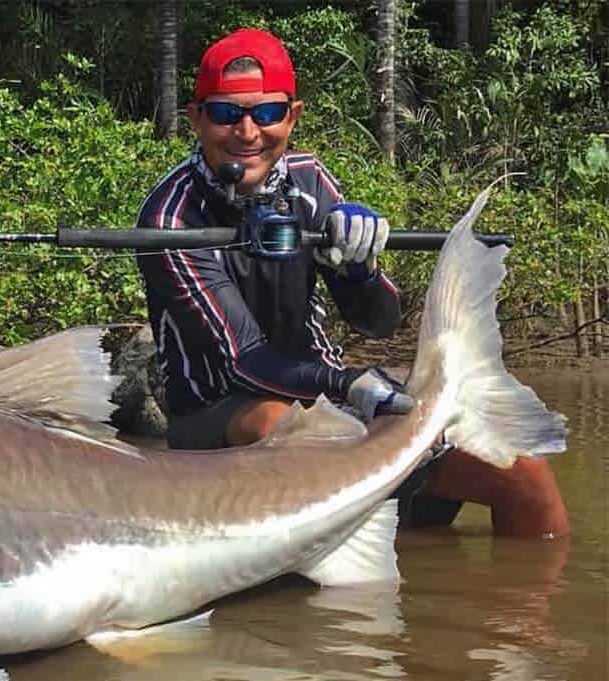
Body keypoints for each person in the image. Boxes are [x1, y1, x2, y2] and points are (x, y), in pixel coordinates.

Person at [137, 27, 569, 538]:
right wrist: (350, 387)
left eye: (268, 113)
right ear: (197, 119)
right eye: (227, 114)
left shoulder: (312, 180)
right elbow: (243, 361)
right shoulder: (169, 218)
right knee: (279, 424)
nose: (248, 132)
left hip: (329, 394)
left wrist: (359, 270)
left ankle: (521, 605)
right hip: (220, 410)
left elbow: (379, 321)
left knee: (524, 474)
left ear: (292, 116)